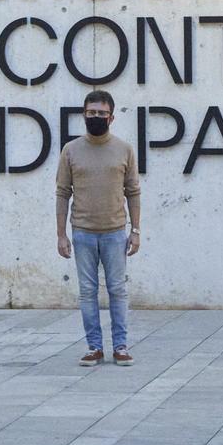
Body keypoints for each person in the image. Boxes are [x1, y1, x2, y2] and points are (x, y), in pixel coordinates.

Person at [55, 89, 142, 366]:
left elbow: (133, 191)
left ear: (111, 117)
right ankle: (94, 346)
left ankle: (121, 346)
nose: (96, 117)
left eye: (101, 113)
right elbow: (62, 193)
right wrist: (61, 235)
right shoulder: (71, 150)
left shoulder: (124, 149)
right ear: (84, 115)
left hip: (116, 231)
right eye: (91, 113)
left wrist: (136, 230)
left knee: (117, 289)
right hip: (82, 232)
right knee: (87, 291)